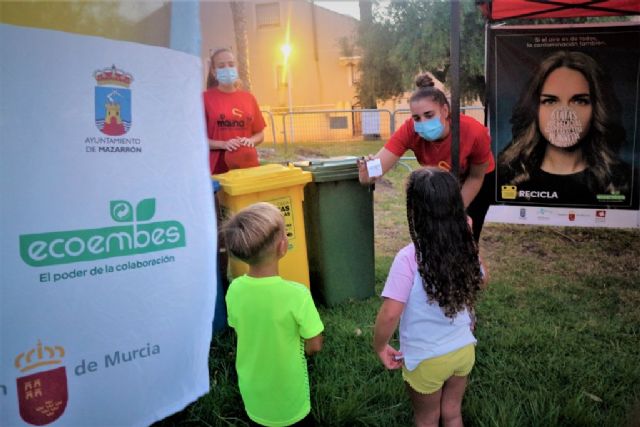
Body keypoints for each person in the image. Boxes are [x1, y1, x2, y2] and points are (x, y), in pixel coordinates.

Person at [373, 168, 488, 427]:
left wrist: (380, 346)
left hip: (425, 360)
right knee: (452, 413)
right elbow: (481, 279)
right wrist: (468, 241)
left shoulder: (407, 259)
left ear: (414, 212)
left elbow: (391, 313)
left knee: (427, 417)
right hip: (463, 351)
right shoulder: (465, 247)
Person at [358, 73, 495, 242]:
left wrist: (455, 211)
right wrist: (367, 173)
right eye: (416, 118)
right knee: (434, 234)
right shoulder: (410, 130)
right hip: (440, 180)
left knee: (464, 235)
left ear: (445, 111)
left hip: (476, 180)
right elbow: (376, 169)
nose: (422, 122)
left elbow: (476, 177)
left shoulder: (474, 132)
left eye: (429, 115)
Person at [222, 202, 324, 426]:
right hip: (290, 396)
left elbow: (239, 328)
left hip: (252, 391)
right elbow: (314, 344)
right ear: (282, 247)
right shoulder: (297, 295)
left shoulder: (235, 289)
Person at [498, 50, 634, 207]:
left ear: (597, 108)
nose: (564, 115)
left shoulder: (627, 181)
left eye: (579, 101)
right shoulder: (504, 176)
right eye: (550, 101)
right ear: (534, 109)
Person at [204, 48, 266, 175]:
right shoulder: (204, 99)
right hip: (217, 169)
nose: (227, 69)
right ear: (214, 71)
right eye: (221, 66)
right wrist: (223, 144)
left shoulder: (249, 98)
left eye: (231, 64)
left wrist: (250, 141)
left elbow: (260, 135)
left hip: (248, 166)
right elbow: (197, 140)